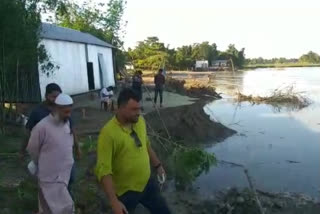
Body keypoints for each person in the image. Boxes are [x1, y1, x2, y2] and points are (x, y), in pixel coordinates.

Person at [95, 88, 171, 214]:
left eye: (139, 108)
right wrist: (114, 202)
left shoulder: (140, 121)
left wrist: (158, 166)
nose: (139, 112)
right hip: (126, 192)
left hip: (147, 183)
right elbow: (104, 170)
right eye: (134, 109)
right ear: (121, 108)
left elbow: (146, 145)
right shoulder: (108, 134)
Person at [27, 94, 75, 214]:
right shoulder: (42, 127)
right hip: (50, 177)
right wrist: (42, 163)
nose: (69, 115)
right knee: (61, 207)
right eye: (66, 112)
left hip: (64, 174)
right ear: (57, 108)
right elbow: (32, 149)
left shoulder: (66, 123)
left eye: (70, 112)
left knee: (54, 208)